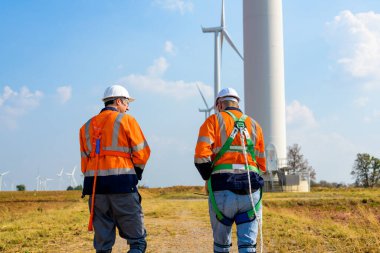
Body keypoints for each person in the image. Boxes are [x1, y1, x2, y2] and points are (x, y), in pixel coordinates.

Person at [79, 84, 150, 253]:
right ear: (118, 101)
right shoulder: (127, 120)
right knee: (137, 241)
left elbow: (84, 163)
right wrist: (136, 174)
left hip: (95, 189)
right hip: (123, 186)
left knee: (103, 246)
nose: (128, 107)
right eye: (126, 103)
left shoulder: (86, 127)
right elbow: (142, 153)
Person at [194, 87, 266, 253]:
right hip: (251, 188)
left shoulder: (213, 121)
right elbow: (261, 164)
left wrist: (208, 177)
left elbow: (200, 156)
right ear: (237, 103)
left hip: (222, 188)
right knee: (248, 245)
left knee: (221, 245)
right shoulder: (255, 125)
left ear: (219, 104)